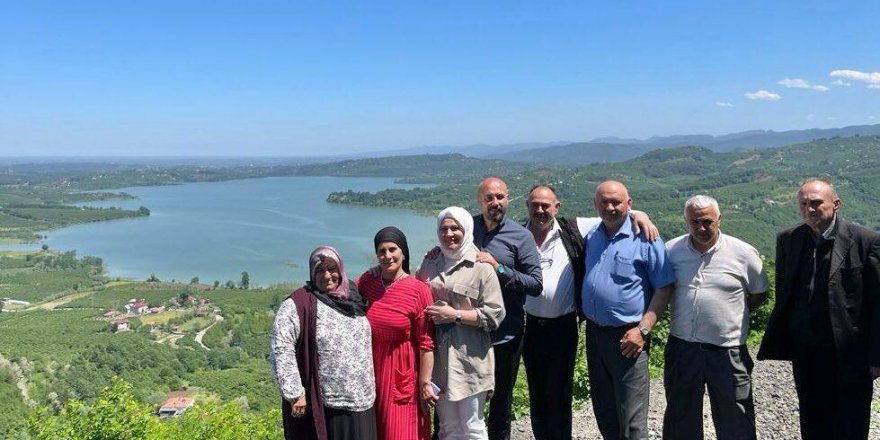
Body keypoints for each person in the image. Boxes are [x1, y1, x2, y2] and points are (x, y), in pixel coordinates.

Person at [522, 184, 658, 440]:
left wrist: (641, 214)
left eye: (546, 205)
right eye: (534, 205)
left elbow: (614, 212)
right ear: (527, 206)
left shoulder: (572, 228)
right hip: (529, 326)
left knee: (561, 391)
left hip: (563, 324)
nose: (540, 210)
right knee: (536, 392)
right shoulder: (519, 234)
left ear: (557, 207)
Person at [757, 178, 880, 440]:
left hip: (850, 351)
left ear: (836, 204)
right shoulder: (788, 239)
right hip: (806, 350)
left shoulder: (866, 241)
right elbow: (785, 292)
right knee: (812, 419)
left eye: (816, 203)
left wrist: (875, 357)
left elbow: (877, 303)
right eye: (803, 204)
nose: (809, 209)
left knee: (851, 421)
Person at [663, 195, 768, 440]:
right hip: (682, 347)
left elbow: (759, 294)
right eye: (695, 222)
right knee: (681, 418)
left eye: (707, 222)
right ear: (686, 221)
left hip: (728, 350)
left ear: (719, 219)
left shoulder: (743, 253)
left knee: (736, 419)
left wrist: (729, 316)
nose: (701, 228)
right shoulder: (671, 251)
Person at [581, 180, 675, 440]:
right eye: (604, 202)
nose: (610, 207)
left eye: (617, 202)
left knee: (632, 421)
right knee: (605, 411)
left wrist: (643, 330)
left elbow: (665, 287)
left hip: (629, 338)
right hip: (595, 335)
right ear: (595, 205)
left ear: (629, 204)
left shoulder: (646, 238)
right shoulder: (592, 234)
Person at [270, 246, 377, 440]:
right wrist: (294, 392)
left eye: (332, 268)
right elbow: (281, 347)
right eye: (320, 270)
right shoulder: (299, 303)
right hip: (329, 405)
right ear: (312, 273)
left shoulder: (354, 296)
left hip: (364, 401)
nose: (327, 276)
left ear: (341, 270)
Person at [417, 206, 505, 440]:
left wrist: (454, 315)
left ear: (466, 229)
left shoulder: (482, 267)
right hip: (438, 362)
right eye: (443, 229)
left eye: (455, 228)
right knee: (448, 428)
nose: (449, 234)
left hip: (470, 360)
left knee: (473, 427)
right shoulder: (429, 264)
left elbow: (495, 314)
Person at [472, 177, 543, 440]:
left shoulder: (521, 236)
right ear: (480, 200)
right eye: (489, 198)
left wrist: (498, 268)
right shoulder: (467, 228)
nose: (495, 203)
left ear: (508, 199)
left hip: (506, 334)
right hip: (469, 332)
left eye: (500, 197)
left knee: (500, 401)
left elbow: (535, 284)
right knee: (465, 397)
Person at [357, 227, 436, 440]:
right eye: (381, 251)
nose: (387, 256)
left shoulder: (418, 290)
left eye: (392, 249)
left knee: (399, 432)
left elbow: (426, 342)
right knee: (376, 430)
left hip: (402, 372)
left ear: (403, 252)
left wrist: (425, 383)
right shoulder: (369, 282)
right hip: (373, 370)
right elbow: (341, 294)